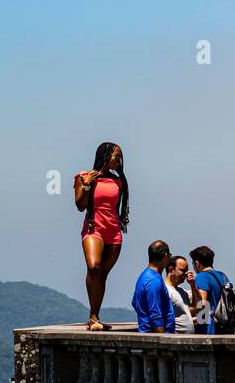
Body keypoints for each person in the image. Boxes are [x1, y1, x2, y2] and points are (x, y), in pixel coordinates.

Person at [74, 142, 130, 331]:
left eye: (120, 157)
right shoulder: (84, 176)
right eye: (116, 156)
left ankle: (95, 315)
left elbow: (118, 206)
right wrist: (87, 184)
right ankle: (93, 316)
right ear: (105, 155)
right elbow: (80, 205)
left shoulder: (118, 181)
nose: (118, 161)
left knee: (102, 274)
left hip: (113, 230)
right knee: (93, 267)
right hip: (93, 228)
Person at [132, 240, 175, 333]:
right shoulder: (154, 280)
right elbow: (155, 314)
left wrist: (143, 316)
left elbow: (134, 302)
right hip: (156, 338)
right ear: (166, 255)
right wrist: (162, 340)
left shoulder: (144, 275)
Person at [189, 245, 230, 334]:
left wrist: (186, 314)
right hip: (225, 327)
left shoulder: (202, 276)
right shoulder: (223, 276)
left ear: (197, 263)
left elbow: (202, 304)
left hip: (209, 329)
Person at [165, 255, 195, 334]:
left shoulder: (181, 291)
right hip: (175, 341)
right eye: (183, 270)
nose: (186, 274)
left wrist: (192, 285)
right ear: (171, 269)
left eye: (187, 271)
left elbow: (199, 305)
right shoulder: (165, 291)